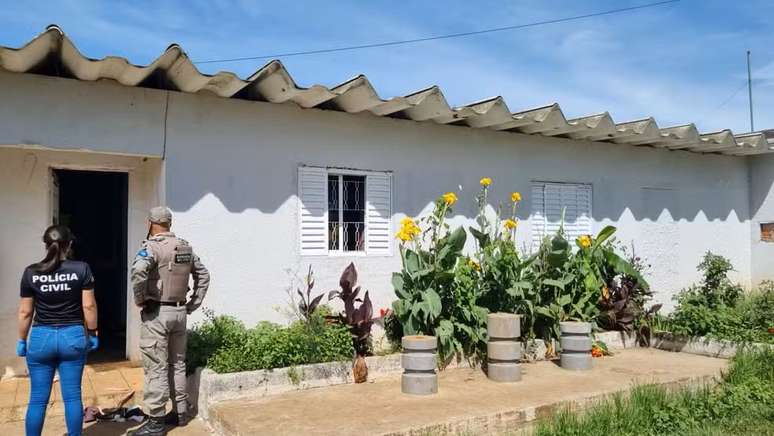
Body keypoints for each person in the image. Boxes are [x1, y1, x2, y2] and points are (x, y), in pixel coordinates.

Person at [129, 207, 210, 436]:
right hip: (179, 312)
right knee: (178, 364)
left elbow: (138, 273)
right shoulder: (184, 247)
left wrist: (140, 299)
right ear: (169, 223)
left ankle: (155, 422)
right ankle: (180, 413)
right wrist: (193, 303)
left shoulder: (151, 247)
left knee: (156, 366)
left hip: (157, 314)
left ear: (151, 223)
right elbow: (203, 275)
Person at [17, 225, 99, 436]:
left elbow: (26, 312)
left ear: (46, 245)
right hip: (72, 337)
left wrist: (21, 339)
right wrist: (93, 332)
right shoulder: (81, 269)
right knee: (72, 396)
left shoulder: (31, 272)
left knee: (37, 398)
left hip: (41, 338)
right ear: (69, 244)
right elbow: (89, 306)